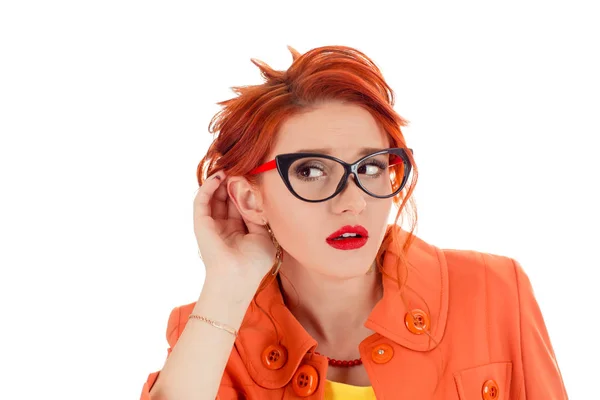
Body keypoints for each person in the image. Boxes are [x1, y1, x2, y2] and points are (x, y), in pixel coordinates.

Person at [140, 45, 568, 399]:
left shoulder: (493, 289)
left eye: (370, 167)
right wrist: (228, 284)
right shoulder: (212, 331)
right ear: (250, 199)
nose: (353, 201)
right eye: (310, 170)